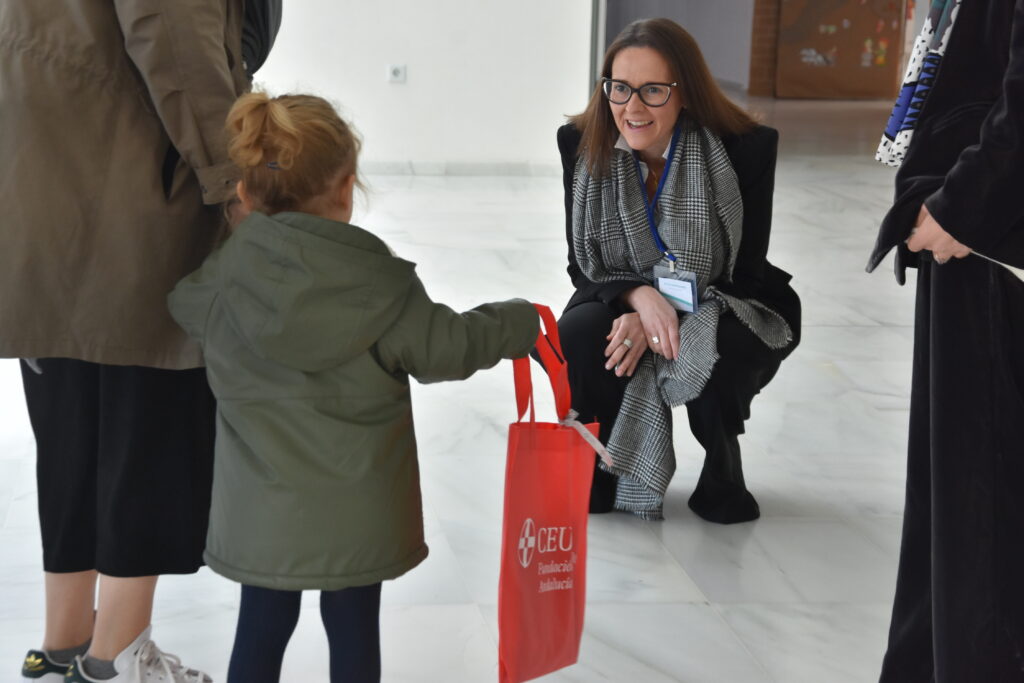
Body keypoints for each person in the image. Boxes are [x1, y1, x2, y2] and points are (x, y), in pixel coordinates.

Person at [166, 92, 540, 683]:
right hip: (362, 514)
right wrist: (518, 320)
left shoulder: (220, 284)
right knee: (354, 628)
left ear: (245, 192)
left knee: (260, 627)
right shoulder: (380, 284)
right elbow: (447, 349)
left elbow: (180, 307)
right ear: (346, 189)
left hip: (263, 516)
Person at [0, 2, 254, 682]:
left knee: (70, 428)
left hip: (41, 182)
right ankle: (117, 656)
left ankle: (64, 640)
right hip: (135, 194)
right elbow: (175, 42)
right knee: (147, 430)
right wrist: (236, 184)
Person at [556, 18, 800, 524]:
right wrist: (637, 298)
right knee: (582, 331)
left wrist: (661, 312)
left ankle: (722, 466)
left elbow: (743, 276)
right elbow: (583, 268)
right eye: (620, 88)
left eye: (653, 90)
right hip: (623, 291)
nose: (632, 108)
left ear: (684, 91)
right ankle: (601, 465)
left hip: (726, 297)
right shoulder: (580, 143)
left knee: (718, 345)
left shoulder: (745, 148)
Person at [867, 0, 1024, 679]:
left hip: (987, 243)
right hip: (964, 236)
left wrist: (959, 206)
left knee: (980, 499)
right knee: (950, 495)